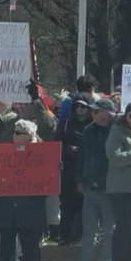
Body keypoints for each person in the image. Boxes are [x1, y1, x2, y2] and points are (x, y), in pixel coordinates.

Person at [0, 119, 46, 261]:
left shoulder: (42, 153)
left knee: (29, 241)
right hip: (9, 203)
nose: (14, 136)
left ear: (29, 135)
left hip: (30, 205)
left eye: (18, 133)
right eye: (14, 132)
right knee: (6, 240)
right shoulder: (7, 152)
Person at [77, 97, 115, 261]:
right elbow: (82, 156)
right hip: (90, 186)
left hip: (110, 187)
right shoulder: (88, 130)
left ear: (107, 114)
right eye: (93, 111)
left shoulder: (116, 131)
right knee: (88, 230)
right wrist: (80, 179)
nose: (93, 114)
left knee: (109, 229)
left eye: (97, 111)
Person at [105, 102, 131, 261]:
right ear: (125, 117)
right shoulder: (116, 132)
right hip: (122, 190)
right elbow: (115, 158)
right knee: (124, 231)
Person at [56, 94, 92, 245]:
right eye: (77, 106)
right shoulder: (65, 123)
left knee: (85, 208)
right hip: (68, 171)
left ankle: (82, 238)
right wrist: (68, 149)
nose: (80, 109)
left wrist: (83, 151)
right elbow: (57, 145)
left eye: (83, 106)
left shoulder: (93, 125)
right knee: (67, 206)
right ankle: (65, 238)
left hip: (87, 171)